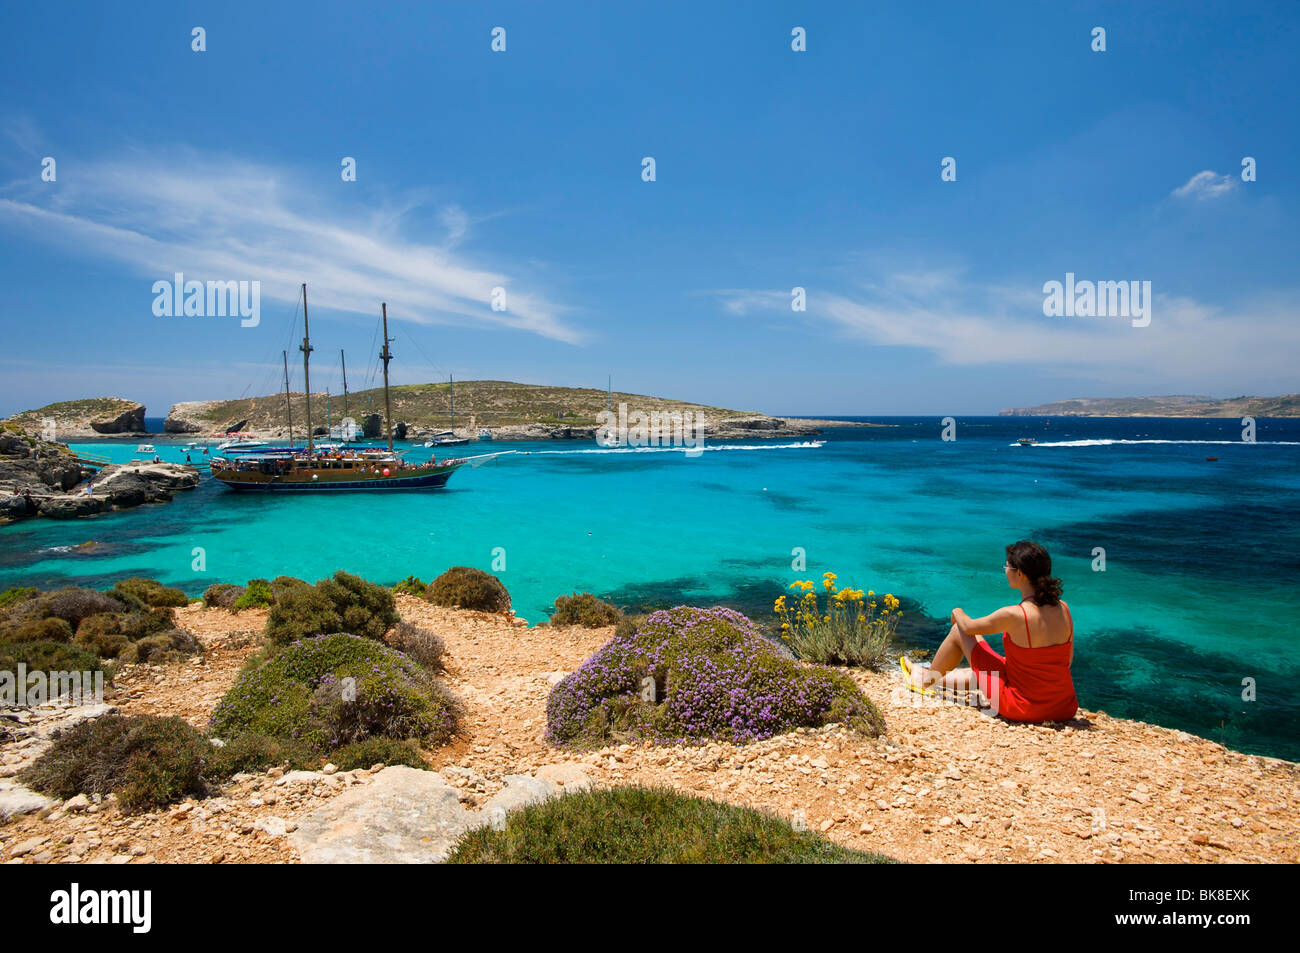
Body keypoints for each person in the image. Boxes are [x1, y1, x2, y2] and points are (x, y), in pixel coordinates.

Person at [900, 540, 1078, 723]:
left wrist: (957, 612)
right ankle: (926, 673)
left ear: (1020, 574)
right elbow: (1067, 662)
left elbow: (967, 627)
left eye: (1007, 566)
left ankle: (924, 681)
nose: (1005, 570)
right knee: (1000, 663)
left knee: (958, 631)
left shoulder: (1015, 614)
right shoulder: (1063, 608)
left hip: (1023, 707)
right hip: (1065, 707)